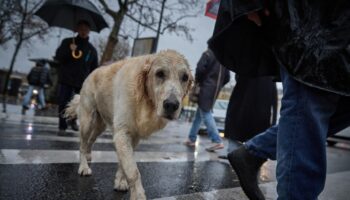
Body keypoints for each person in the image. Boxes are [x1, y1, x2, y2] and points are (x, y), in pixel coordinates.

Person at [208, 1, 350, 199]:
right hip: (308, 19)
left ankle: (253, 152)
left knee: (329, 104)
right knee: (310, 97)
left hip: (340, 23)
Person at [55, 20, 98, 133]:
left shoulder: (91, 50)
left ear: (89, 31)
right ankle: (62, 126)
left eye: (86, 29)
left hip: (82, 81)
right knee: (63, 102)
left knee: (81, 104)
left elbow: (94, 68)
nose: (83, 31)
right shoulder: (68, 42)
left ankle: (73, 120)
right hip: (66, 78)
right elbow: (58, 57)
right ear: (77, 29)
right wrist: (69, 50)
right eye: (81, 28)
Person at [184, 49, 230, 151]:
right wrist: (218, 85)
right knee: (199, 115)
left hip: (205, 88)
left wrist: (199, 81)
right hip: (215, 90)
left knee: (205, 112)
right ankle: (191, 138)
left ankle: (217, 141)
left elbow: (200, 69)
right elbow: (227, 77)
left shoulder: (208, 53)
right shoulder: (225, 58)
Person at [221, 75, 278, 157]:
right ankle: (252, 157)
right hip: (261, 109)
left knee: (236, 132)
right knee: (257, 137)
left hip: (243, 103)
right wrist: (273, 121)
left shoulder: (247, 66)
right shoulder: (270, 72)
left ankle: (233, 154)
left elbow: (237, 76)